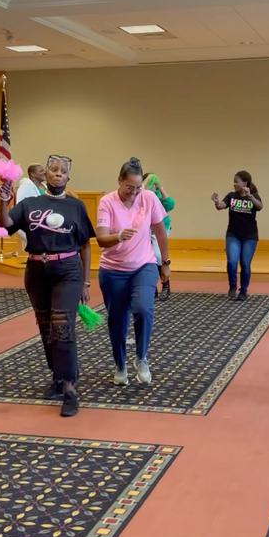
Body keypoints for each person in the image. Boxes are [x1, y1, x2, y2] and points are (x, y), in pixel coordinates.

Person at [0, 155, 94, 418]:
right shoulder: (30, 204)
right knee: (46, 327)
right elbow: (5, 223)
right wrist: (3, 200)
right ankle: (57, 377)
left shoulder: (76, 206)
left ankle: (70, 387)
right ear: (45, 175)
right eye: (53, 169)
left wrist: (86, 281)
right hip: (37, 272)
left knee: (62, 325)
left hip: (68, 271)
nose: (58, 173)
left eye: (63, 171)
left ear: (68, 177)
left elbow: (85, 245)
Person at [96, 157, 170, 386]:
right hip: (113, 270)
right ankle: (120, 365)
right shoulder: (107, 202)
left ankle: (141, 357)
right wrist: (118, 236)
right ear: (119, 180)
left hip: (143, 265)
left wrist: (165, 262)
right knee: (117, 320)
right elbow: (101, 239)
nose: (135, 192)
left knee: (143, 309)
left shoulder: (148, 198)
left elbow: (160, 230)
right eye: (130, 187)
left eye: (138, 187)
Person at [211, 171, 263, 300]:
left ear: (245, 183)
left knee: (245, 263)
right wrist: (216, 202)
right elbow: (221, 206)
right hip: (233, 234)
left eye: (237, 182)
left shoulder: (254, 196)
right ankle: (232, 286)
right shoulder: (231, 196)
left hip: (249, 236)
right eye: (234, 181)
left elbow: (260, 207)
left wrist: (250, 197)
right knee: (232, 262)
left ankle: (243, 290)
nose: (234, 184)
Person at [143, 172, 175, 301]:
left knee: (158, 256)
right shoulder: (142, 194)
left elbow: (170, 204)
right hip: (146, 228)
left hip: (160, 228)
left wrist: (160, 188)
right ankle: (152, 287)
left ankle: (166, 285)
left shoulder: (156, 195)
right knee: (147, 258)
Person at [16, 164, 46, 249]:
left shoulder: (44, 186)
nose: (44, 172)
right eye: (41, 171)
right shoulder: (26, 187)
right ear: (32, 174)